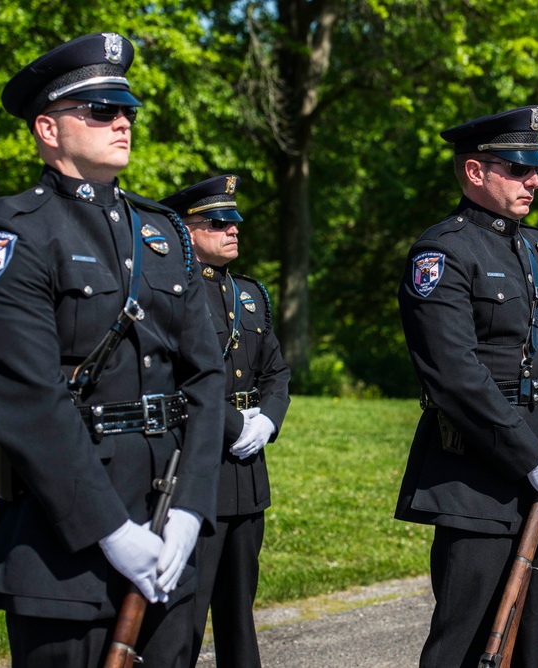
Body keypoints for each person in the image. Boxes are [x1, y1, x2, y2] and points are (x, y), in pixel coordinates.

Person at [0, 33, 225, 666]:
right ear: (48, 129)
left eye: (126, 108)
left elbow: (207, 379)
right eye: (101, 110)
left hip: (168, 529)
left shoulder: (161, 231)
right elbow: (25, 397)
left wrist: (191, 510)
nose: (122, 121)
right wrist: (110, 531)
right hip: (65, 545)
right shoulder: (17, 231)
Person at [394, 105, 538, 668]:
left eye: (534, 168)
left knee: (528, 644)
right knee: (465, 645)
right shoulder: (443, 252)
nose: (534, 179)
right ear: (474, 172)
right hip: (478, 481)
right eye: (516, 168)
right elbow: (455, 376)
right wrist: (527, 455)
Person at [160, 175, 291, 667]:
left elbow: (276, 371)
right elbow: (179, 376)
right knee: (185, 617)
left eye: (234, 220)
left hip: (246, 475)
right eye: (218, 222)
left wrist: (268, 423)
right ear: (187, 231)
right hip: (200, 469)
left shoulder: (250, 295)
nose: (232, 230)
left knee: (240, 614)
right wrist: (237, 428)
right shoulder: (174, 293)